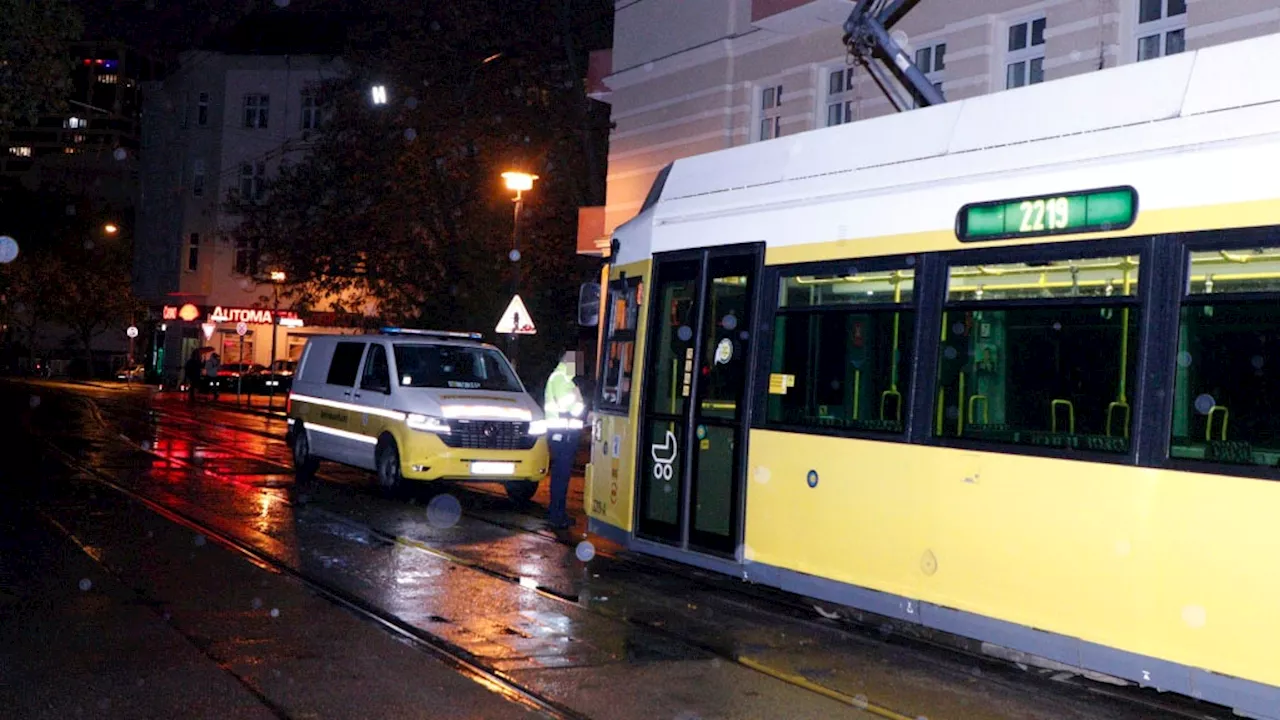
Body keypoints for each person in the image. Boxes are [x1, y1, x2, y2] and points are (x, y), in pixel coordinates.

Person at [543, 354, 585, 530]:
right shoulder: (561, 380)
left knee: (561, 476)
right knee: (561, 477)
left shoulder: (563, 379)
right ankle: (557, 515)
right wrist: (578, 398)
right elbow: (572, 408)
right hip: (563, 435)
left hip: (563, 434)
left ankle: (558, 513)